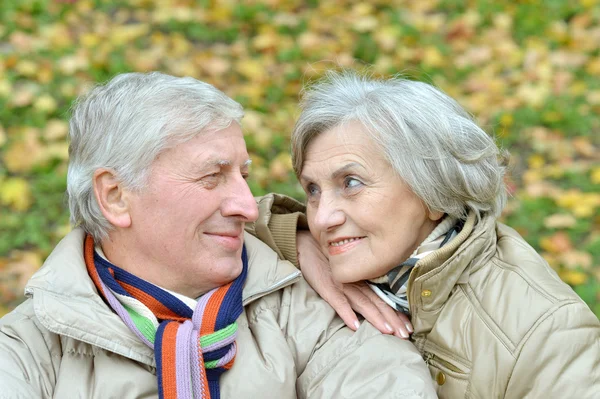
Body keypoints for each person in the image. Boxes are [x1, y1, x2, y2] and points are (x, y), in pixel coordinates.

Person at [0, 72, 437, 398]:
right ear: (115, 197)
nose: (247, 206)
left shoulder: (315, 306)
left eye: (244, 175)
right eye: (212, 176)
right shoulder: (27, 349)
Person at [259, 70, 600, 398]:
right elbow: (218, 218)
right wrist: (296, 238)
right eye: (313, 190)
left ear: (431, 192)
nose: (321, 219)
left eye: (351, 183)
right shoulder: (325, 256)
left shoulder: (544, 332)